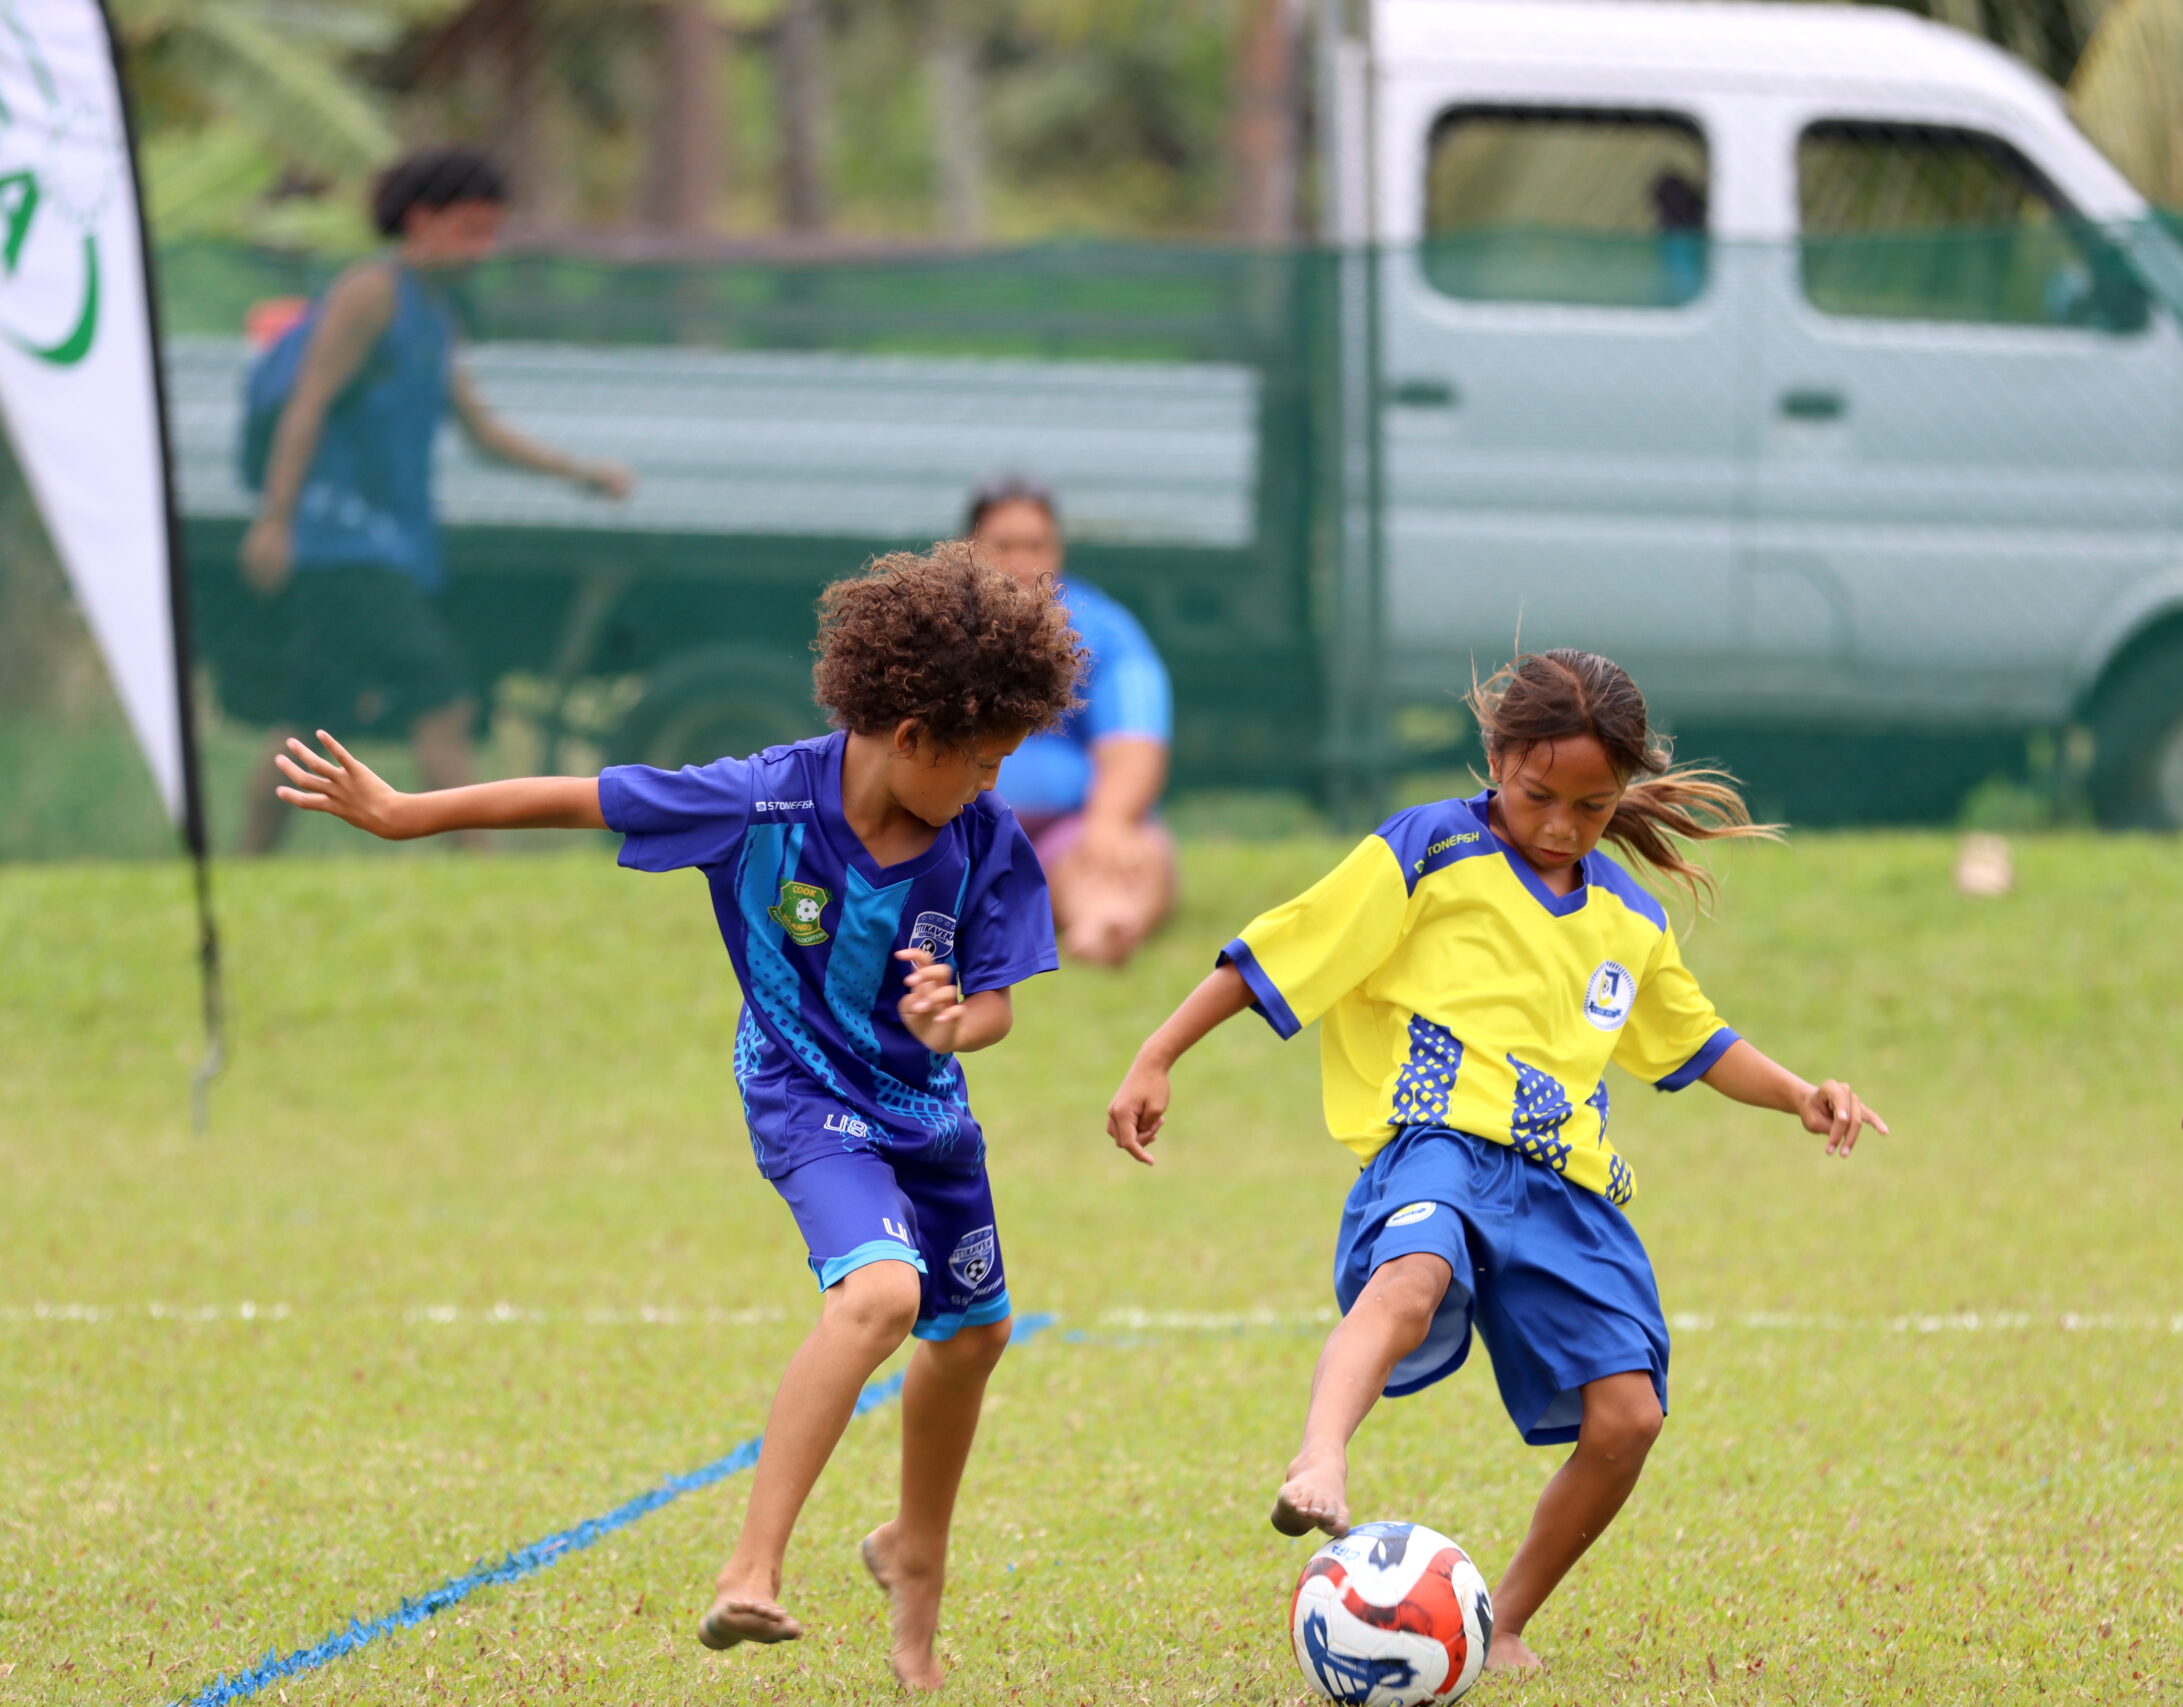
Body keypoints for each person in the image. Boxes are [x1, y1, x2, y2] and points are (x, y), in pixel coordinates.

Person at [268, 544, 1084, 1692]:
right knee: (884, 1296)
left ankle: (912, 1551)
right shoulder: (762, 803)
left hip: (928, 1115)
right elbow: (584, 795)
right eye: (984, 760)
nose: (995, 784)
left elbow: (996, 1001)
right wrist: (409, 814)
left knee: (978, 1334)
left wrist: (957, 1025)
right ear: (912, 738)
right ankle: (751, 1570)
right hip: (806, 1095)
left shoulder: (981, 839)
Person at [1104, 648, 1886, 1673]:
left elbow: (1695, 1043)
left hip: (1565, 1188)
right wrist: (1158, 1053)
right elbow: (1278, 950)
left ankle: (1500, 1618)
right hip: (1434, 1149)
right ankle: (1319, 1459)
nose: (1561, 825)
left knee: (1628, 1418)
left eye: (1592, 807)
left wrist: (1799, 1093)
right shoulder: (1426, 850)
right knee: (1411, 1280)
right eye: (1538, 796)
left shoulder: (1626, 918)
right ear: (1496, 758)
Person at [234, 146, 632, 854]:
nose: (483, 249)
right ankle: (475, 868)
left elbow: (480, 431)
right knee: (442, 695)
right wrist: (275, 520)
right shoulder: (371, 294)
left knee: (305, 722)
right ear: (421, 220)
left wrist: (579, 474)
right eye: (471, 229)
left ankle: (242, 862)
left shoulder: (434, 317)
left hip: (382, 546)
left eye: (491, 232)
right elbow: (308, 404)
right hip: (340, 543)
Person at [966, 478, 1176, 965]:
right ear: (969, 551)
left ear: (1057, 549)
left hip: (1067, 831)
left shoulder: (1103, 631)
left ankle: (1105, 925)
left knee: (1138, 849)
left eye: (1036, 544)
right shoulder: (936, 625)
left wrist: (1107, 826)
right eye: (1004, 545)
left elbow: (1133, 748)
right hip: (954, 828)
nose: (1021, 560)